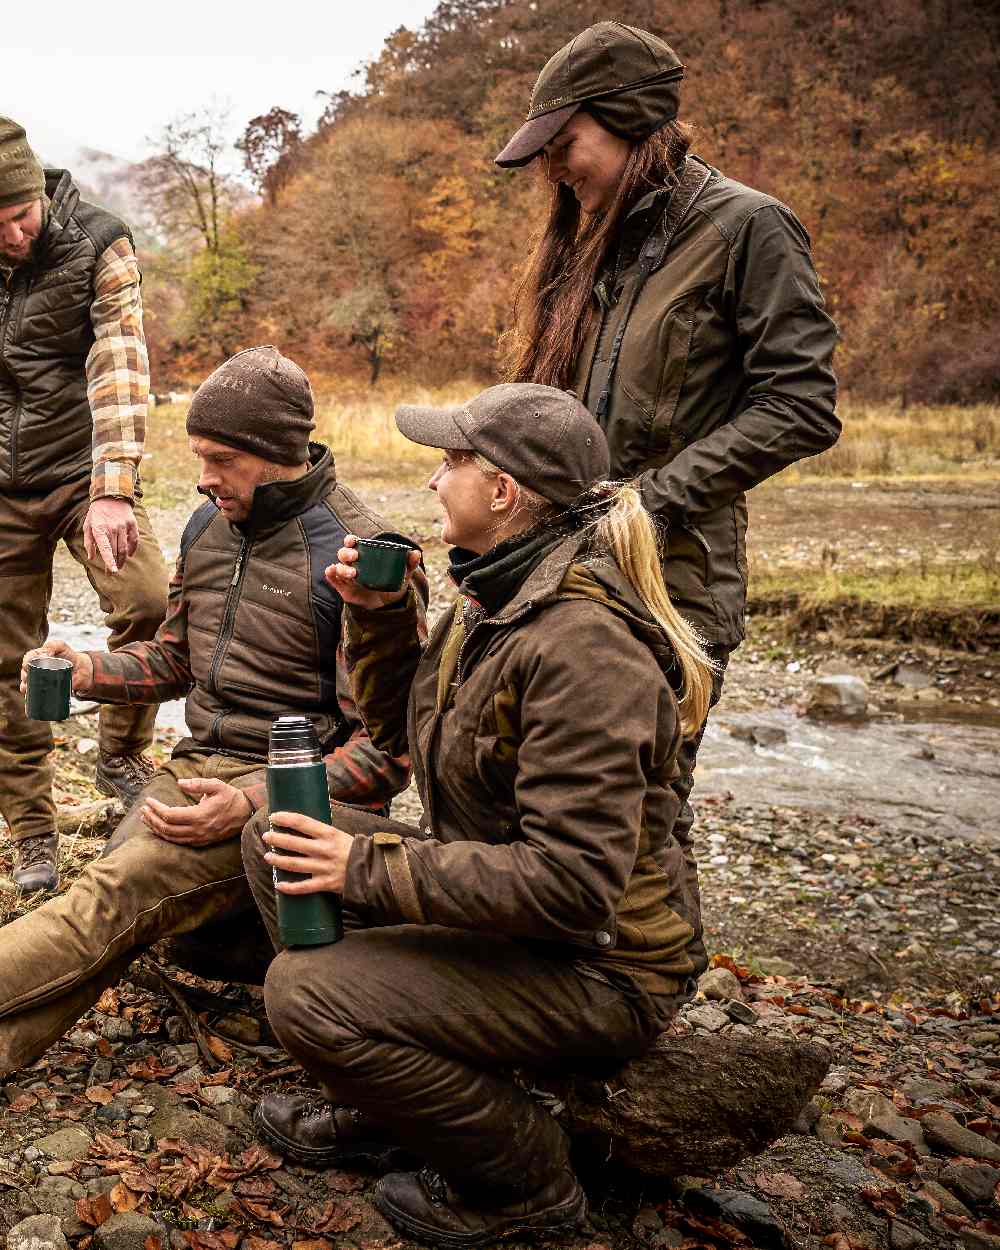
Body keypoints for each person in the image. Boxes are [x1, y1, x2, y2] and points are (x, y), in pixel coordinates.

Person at [240, 383, 718, 1246]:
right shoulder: (498, 597)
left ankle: (523, 1178)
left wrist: (363, 869)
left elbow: (573, 889)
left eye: (452, 463)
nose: (435, 483)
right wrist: (380, 622)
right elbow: (402, 735)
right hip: (515, 922)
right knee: (271, 832)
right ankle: (401, 1101)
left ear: (503, 493)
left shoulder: (585, 645)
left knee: (305, 992)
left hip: (600, 968)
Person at [495, 21, 841, 976]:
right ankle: (546, 1005)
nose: (555, 171)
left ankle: (640, 1004)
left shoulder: (747, 229)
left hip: (674, 584)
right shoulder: (592, 241)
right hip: (568, 572)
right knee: (555, 798)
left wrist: (650, 502)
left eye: (566, 147)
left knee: (646, 804)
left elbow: (805, 405)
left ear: (633, 123)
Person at [0, 345, 423, 1077]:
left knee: (115, 894)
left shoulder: (355, 556)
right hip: (197, 768)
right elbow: (176, 661)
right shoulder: (206, 528)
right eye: (200, 456)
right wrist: (85, 671)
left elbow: (386, 753)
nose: (204, 478)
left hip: (285, 796)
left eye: (223, 459)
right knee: (121, 903)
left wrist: (253, 802)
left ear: (277, 453)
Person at [0, 117, 170, 894]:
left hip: (79, 472)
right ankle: (33, 829)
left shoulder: (98, 243)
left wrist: (112, 488)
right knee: (6, 659)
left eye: (20, 213)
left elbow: (120, 363)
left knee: (149, 600)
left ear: (39, 190)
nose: (11, 232)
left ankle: (122, 753)